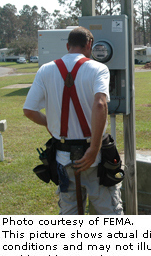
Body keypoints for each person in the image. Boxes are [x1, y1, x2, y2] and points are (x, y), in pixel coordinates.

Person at [23, 26, 123, 215]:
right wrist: (93, 149)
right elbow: (100, 104)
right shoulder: (98, 68)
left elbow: (29, 110)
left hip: (63, 158)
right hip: (95, 160)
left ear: (68, 45)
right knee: (110, 213)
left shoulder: (45, 70)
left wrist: (52, 125)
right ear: (89, 45)